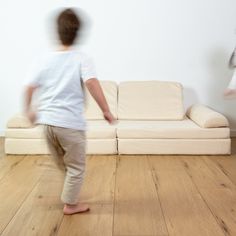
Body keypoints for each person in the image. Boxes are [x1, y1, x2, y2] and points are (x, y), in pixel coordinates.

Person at [24, 8, 116, 215]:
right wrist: (106, 110)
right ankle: (71, 204)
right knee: (76, 167)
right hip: (69, 125)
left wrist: (28, 110)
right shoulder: (81, 58)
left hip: (47, 124)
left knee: (66, 165)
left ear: (57, 31)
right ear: (78, 33)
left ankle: (70, 192)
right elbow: (92, 83)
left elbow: (29, 86)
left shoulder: (43, 59)